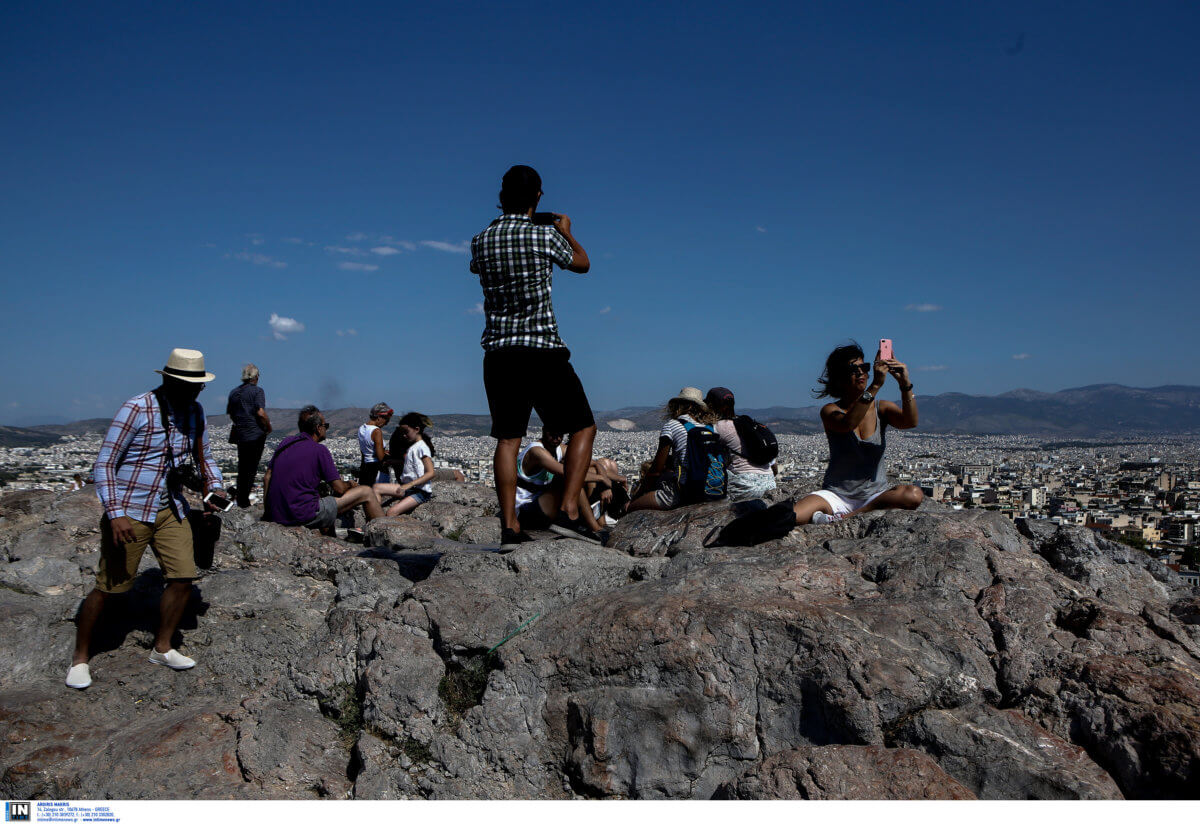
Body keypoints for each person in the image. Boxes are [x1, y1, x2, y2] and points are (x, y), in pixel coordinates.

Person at [67, 348, 227, 690]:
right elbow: (105, 463)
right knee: (110, 587)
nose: (195, 390)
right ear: (168, 380)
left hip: (171, 506)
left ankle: (163, 646)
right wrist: (116, 513)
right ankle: (80, 657)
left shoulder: (195, 412)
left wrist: (215, 487)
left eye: (198, 385)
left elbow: (206, 457)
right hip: (132, 507)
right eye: (188, 384)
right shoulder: (137, 408)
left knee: (184, 577)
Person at [470, 164, 602, 546]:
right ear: (538, 197)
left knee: (508, 439)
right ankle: (569, 512)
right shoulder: (543, 235)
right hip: (542, 349)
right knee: (583, 427)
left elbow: (474, 267)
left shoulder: (481, 240)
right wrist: (566, 231)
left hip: (498, 352)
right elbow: (582, 264)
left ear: (501, 196)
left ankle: (510, 525)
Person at [791, 342, 923, 524]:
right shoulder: (830, 410)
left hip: (875, 496)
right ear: (839, 378)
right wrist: (876, 385)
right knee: (794, 516)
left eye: (864, 367)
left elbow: (910, 422)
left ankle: (845, 518)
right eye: (853, 369)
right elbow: (847, 424)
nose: (861, 373)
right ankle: (849, 515)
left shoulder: (881, 408)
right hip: (836, 495)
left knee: (913, 494)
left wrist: (905, 384)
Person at [262, 405, 382, 529]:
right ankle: (384, 532)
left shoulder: (285, 443)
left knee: (320, 496)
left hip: (277, 515)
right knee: (366, 492)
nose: (326, 429)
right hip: (303, 514)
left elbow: (267, 478)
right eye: (326, 426)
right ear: (318, 429)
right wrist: (350, 484)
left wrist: (267, 514)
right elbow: (339, 488)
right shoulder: (319, 450)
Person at [627, 387, 724, 512]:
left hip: (683, 493)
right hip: (715, 490)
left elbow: (656, 470)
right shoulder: (710, 428)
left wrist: (637, 495)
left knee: (631, 508)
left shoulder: (672, 425)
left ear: (677, 405)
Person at [513, 427, 612, 540]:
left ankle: (591, 522)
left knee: (586, 473)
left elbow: (594, 464)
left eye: (560, 435)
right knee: (572, 480)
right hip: (525, 510)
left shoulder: (558, 449)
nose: (557, 438)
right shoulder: (536, 452)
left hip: (542, 503)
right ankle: (595, 528)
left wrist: (605, 483)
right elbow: (568, 474)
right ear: (544, 430)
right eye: (553, 434)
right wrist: (601, 478)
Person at [705, 387, 778, 502]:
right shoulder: (750, 425)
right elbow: (775, 467)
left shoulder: (718, 427)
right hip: (770, 485)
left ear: (713, 406)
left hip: (743, 487)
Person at [226, 363, 272, 508]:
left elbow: (231, 413)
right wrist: (268, 427)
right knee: (251, 467)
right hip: (255, 433)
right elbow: (260, 412)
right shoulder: (257, 391)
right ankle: (244, 501)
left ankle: (241, 498)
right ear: (256, 376)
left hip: (240, 433)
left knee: (242, 467)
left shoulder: (234, 392)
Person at [382, 412, 436, 517]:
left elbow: (430, 471)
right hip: (410, 483)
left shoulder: (419, 444)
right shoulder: (412, 440)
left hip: (415, 485)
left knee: (391, 512)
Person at [357, 403, 393, 486]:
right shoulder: (376, 431)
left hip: (364, 468)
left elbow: (367, 449)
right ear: (379, 417)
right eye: (386, 420)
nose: (386, 423)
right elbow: (380, 457)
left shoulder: (362, 428)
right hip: (376, 470)